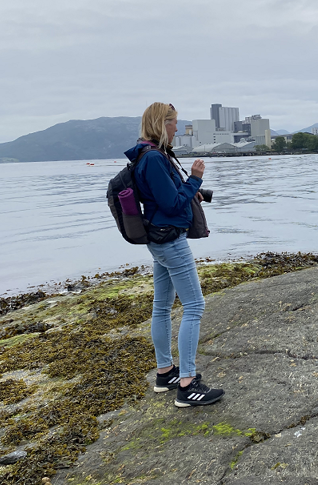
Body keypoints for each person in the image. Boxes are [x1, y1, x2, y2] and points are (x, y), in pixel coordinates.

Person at [124, 102, 224, 408]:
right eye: (173, 123)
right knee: (194, 305)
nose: (177, 128)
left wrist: (189, 186)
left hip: (158, 239)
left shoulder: (146, 154)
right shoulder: (153, 158)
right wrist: (194, 179)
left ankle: (166, 372)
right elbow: (171, 204)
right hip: (170, 240)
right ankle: (187, 385)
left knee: (162, 306)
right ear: (160, 124)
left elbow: (164, 199)